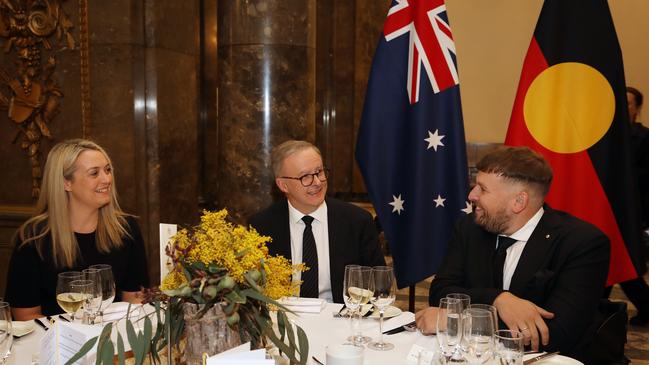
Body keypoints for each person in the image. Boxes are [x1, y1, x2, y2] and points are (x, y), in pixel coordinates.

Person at [415, 146, 610, 359]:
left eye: (483, 189)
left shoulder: (582, 243)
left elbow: (556, 334)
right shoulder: (469, 228)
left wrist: (458, 320)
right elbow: (441, 293)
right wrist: (498, 300)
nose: (472, 195)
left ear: (519, 202)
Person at [5, 139, 150, 320]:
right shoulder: (33, 237)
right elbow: (25, 315)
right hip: (55, 343)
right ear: (67, 183)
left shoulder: (126, 229)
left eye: (107, 170)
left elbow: (134, 302)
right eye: (94, 173)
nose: (107, 179)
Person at [248, 140, 385, 303]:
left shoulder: (357, 221)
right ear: (283, 185)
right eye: (305, 176)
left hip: (342, 320)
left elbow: (378, 284)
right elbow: (253, 290)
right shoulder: (262, 226)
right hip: (285, 320)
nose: (317, 182)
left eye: (319, 172)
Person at [615, 86, 649, 326]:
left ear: (637, 108)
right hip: (610, 209)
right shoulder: (608, 136)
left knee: (626, 265)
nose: (624, 106)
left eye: (628, 103)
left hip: (633, 211)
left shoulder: (644, 137)